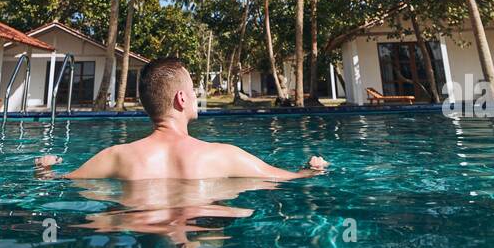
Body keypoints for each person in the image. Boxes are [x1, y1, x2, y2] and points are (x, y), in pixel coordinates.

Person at [35, 57, 328, 180]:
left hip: (139, 227)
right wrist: (313, 168)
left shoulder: (115, 157)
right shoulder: (224, 156)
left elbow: (58, 181)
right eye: (192, 88)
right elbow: (287, 179)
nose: (196, 93)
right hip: (199, 231)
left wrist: (45, 168)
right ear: (181, 99)